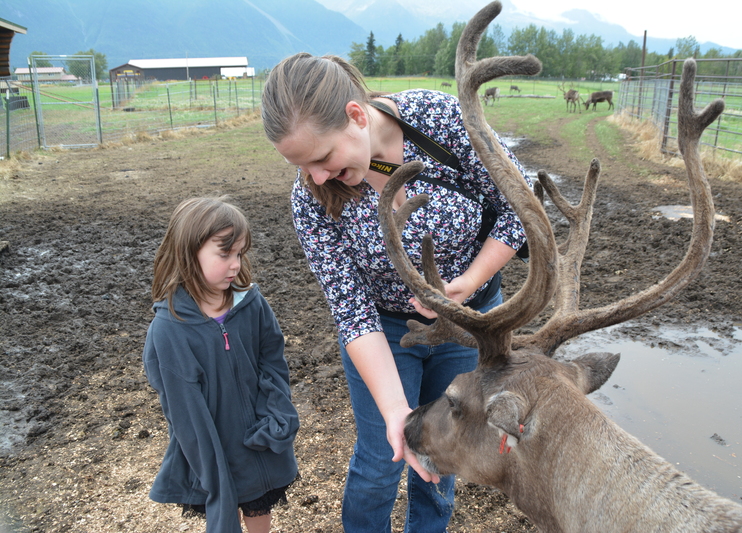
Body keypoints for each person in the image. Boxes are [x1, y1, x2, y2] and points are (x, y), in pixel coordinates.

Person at [261, 53, 534, 533]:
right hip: (384, 330)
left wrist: (467, 284)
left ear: (356, 116)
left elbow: (518, 206)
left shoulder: (439, 120)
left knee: (440, 456)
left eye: (323, 158)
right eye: (301, 166)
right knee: (381, 460)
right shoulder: (310, 198)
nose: (316, 178)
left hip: (466, 324)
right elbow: (351, 310)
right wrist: (393, 410)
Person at [142, 197, 299, 533]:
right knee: (225, 510)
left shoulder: (252, 303)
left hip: (260, 438)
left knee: (259, 506)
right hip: (213, 448)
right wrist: (213, 472)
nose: (235, 265)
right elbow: (185, 413)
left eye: (239, 254)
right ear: (189, 251)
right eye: (224, 254)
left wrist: (275, 412)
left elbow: (272, 359)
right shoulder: (169, 329)